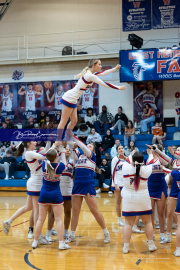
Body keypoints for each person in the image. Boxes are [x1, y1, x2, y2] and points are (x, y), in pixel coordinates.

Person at [2, 141, 59, 245]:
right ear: (28, 143)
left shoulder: (32, 152)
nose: (36, 142)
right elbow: (46, 155)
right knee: (37, 211)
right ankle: (39, 237)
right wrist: (55, 145)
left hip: (35, 182)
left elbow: (46, 152)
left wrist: (50, 141)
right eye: (33, 141)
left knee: (28, 207)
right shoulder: (28, 153)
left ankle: (8, 222)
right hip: (36, 184)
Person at [57, 59, 126, 139]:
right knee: (63, 121)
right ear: (93, 65)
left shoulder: (91, 73)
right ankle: (57, 142)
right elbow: (104, 84)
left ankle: (66, 138)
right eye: (99, 64)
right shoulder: (89, 75)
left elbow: (103, 73)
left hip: (73, 99)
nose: (101, 66)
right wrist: (119, 87)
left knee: (74, 121)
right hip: (69, 97)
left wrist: (115, 68)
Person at [65, 135, 110, 244]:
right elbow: (72, 149)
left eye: (90, 146)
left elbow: (83, 146)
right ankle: (72, 235)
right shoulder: (79, 156)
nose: (87, 147)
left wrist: (73, 136)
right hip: (77, 185)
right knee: (75, 211)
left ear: (93, 150)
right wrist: (71, 142)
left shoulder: (92, 156)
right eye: (88, 145)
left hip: (88, 185)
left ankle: (106, 232)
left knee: (94, 211)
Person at [31, 145, 71, 250]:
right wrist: (62, 151)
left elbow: (48, 154)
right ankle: (61, 243)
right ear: (56, 156)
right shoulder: (60, 166)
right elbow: (64, 161)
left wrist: (55, 147)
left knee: (40, 219)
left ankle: (35, 242)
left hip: (44, 194)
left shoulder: (44, 163)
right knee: (58, 220)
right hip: (56, 194)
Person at [122, 151, 157, 253]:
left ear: (132, 159)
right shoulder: (146, 170)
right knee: (147, 222)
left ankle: (126, 247)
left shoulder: (125, 167)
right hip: (143, 198)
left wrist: (131, 153)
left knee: (128, 224)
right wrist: (150, 153)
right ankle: (151, 245)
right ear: (143, 161)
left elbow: (128, 160)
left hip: (129, 198)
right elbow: (151, 161)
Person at [146, 144, 172, 241]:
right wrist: (150, 154)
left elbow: (168, 160)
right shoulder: (148, 158)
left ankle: (162, 234)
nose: (152, 149)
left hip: (161, 187)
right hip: (150, 187)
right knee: (151, 213)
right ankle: (151, 233)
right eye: (151, 147)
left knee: (161, 213)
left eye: (154, 147)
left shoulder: (161, 159)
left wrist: (158, 151)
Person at [160, 146, 180, 244]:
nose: (177, 151)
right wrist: (156, 150)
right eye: (177, 150)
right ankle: (168, 236)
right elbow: (164, 157)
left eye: (179, 150)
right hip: (174, 189)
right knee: (169, 213)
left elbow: (172, 172)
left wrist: (163, 168)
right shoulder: (174, 162)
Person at [111, 145, 126, 226]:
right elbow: (113, 172)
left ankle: (127, 218)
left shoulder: (126, 159)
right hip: (118, 183)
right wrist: (115, 184)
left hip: (126, 183)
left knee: (127, 201)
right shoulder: (115, 159)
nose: (121, 149)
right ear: (117, 151)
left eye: (122, 148)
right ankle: (119, 220)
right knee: (118, 201)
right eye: (119, 149)